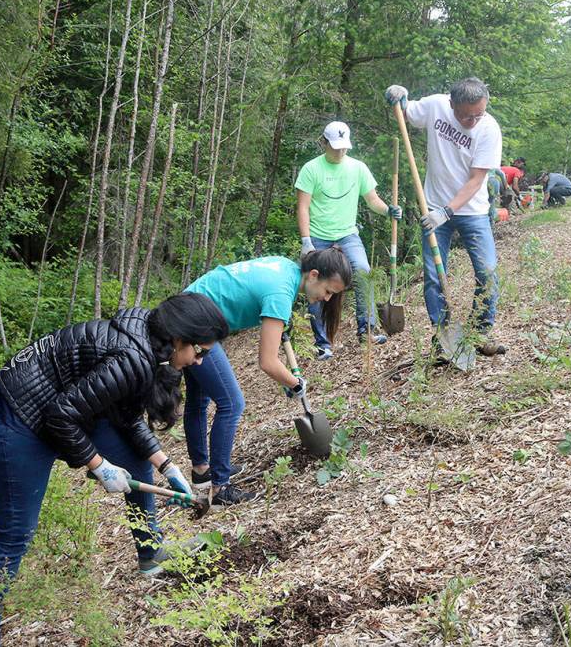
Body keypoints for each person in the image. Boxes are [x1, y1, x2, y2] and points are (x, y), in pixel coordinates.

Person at [0, 293, 229, 646]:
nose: (200, 361)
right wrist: (100, 466)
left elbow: (125, 416)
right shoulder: (133, 358)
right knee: (15, 533)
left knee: (136, 459)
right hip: (18, 414)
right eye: (200, 351)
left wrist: (167, 467)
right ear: (180, 338)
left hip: (59, 405)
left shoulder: (150, 343)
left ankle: (151, 553)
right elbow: (59, 417)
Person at [182, 249, 352, 504]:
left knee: (199, 397)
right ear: (314, 275)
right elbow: (268, 362)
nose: (327, 299)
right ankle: (220, 488)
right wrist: (295, 384)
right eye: (328, 291)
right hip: (195, 323)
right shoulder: (280, 293)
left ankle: (202, 470)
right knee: (232, 402)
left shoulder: (285, 268)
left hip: (186, 307)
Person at [384, 77, 505, 356]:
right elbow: (406, 111)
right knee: (433, 276)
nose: (473, 121)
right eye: (466, 115)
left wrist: (447, 211)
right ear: (452, 105)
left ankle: (480, 333)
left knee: (487, 272)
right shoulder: (436, 106)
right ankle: (444, 335)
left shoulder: (489, 129)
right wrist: (399, 95)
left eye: (479, 114)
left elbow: (476, 180)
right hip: (432, 208)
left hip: (471, 211)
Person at [296, 121, 402, 360]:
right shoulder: (311, 169)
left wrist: (388, 210)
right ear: (324, 143)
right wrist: (306, 240)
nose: (340, 152)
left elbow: (372, 199)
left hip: (347, 233)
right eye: (335, 147)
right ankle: (322, 343)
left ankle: (367, 329)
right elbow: (302, 207)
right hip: (318, 235)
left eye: (344, 147)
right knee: (313, 283)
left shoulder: (358, 168)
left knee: (363, 271)